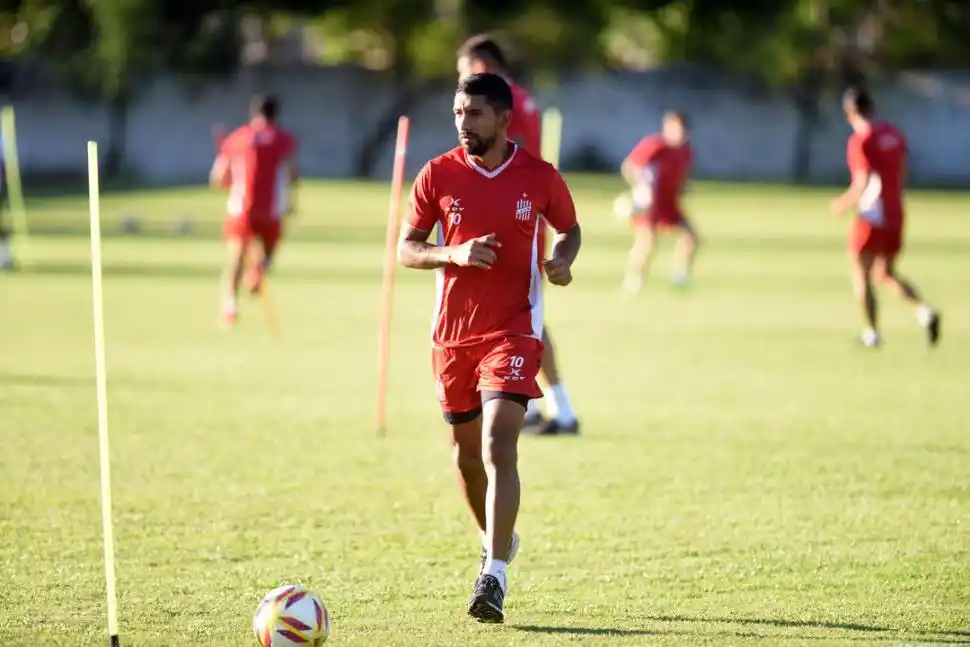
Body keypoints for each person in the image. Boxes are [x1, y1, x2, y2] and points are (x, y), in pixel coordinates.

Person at [397, 73, 582, 623]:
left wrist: (564, 260)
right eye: (457, 112)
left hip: (514, 330)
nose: (463, 123)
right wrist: (451, 253)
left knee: (501, 444)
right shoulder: (437, 173)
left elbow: (570, 229)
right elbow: (406, 249)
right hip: (452, 337)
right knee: (465, 457)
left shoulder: (540, 177)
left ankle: (493, 576)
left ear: (503, 120)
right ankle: (496, 538)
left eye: (474, 114)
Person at [456, 33, 580, 436]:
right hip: (521, 218)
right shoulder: (520, 98)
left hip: (512, 223)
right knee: (516, 315)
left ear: (479, 68)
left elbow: (504, 163)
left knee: (523, 316)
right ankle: (534, 408)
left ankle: (557, 410)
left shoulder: (502, 103)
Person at [829, 87, 940, 348]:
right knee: (884, 272)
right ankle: (924, 311)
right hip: (895, 211)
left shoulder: (860, 140)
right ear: (872, 108)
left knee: (861, 272)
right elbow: (902, 171)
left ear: (848, 113)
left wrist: (842, 203)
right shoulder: (893, 134)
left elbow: (863, 181)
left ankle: (872, 334)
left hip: (872, 214)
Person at [209, 94, 298, 325]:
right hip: (272, 210)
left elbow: (219, 178)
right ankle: (258, 271)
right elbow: (291, 173)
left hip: (241, 208)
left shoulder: (237, 137)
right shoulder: (283, 140)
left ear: (254, 113)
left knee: (236, 256)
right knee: (269, 250)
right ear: (276, 115)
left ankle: (230, 307)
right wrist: (291, 201)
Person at [620, 111, 697, 293]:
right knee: (647, 243)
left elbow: (681, 176)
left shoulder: (686, 152)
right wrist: (640, 186)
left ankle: (680, 278)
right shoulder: (655, 145)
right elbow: (629, 167)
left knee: (691, 238)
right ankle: (634, 281)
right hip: (650, 205)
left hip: (670, 204)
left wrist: (683, 187)